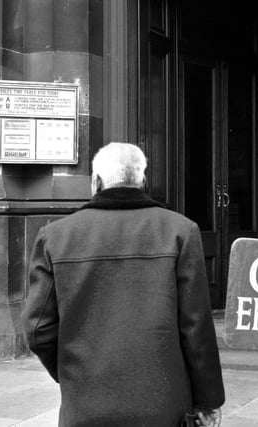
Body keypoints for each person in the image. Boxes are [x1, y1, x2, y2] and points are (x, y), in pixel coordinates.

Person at [21, 142, 225, 426]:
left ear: (95, 182)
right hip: (163, 405)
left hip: (85, 404)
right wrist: (208, 399)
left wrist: (74, 371)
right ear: (142, 180)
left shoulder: (55, 237)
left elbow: (37, 329)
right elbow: (196, 328)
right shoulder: (181, 231)